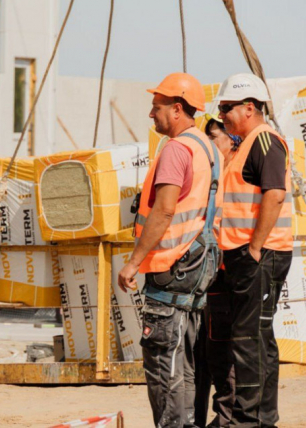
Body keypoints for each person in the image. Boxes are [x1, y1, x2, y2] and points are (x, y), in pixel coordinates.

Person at [118, 73, 223, 428]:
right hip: (198, 265)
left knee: (165, 362)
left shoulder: (177, 149)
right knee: (186, 360)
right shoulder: (206, 147)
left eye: (157, 107)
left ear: (177, 109)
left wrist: (133, 263)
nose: (151, 114)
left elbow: (163, 211)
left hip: (173, 265)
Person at [215, 73, 293, 427]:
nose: (223, 115)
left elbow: (274, 194)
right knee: (258, 338)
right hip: (248, 255)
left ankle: (250, 421)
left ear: (249, 107)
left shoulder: (265, 141)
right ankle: (261, 419)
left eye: (227, 108)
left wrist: (255, 249)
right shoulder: (244, 144)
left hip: (259, 255)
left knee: (249, 340)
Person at [194, 113, 240, 428]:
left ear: (231, 139)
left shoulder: (233, 173)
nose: (209, 144)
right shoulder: (215, 173)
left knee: (222, 348)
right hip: (210, 270)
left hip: (227, 270)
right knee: (208, 349)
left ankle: (226, 418)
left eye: (214, 137)